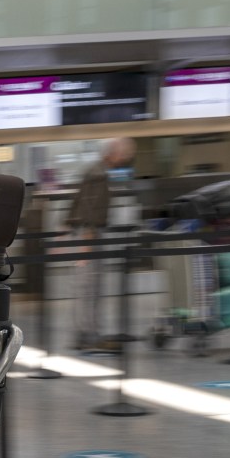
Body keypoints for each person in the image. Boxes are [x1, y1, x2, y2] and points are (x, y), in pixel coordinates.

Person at [65, 138, 136, 352]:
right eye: (125, 154)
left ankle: (86, 334)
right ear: (113, 153)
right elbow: (88, 209)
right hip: (90, 237)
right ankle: (89, 335)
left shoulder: (97, 171)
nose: (126, 159)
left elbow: (79, 202)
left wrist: (68, 227)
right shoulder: (98, 174)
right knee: (89, 288)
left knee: (89, 288)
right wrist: (86, 241)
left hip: (90, 236)